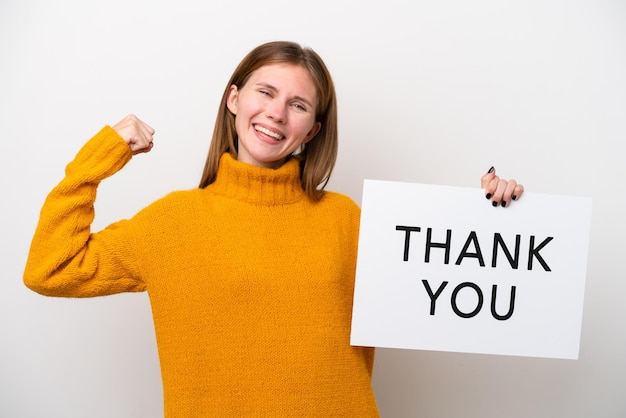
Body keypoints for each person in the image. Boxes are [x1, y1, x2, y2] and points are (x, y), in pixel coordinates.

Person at [23, 41, 523, 417]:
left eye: (299, 105)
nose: (277, 114)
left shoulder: (347, 221)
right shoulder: (171, 223)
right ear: (234, 99)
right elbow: (50, 268)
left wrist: (489, 215)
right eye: (266, 92)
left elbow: (444, 288)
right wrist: (100, 156)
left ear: (313, 130)